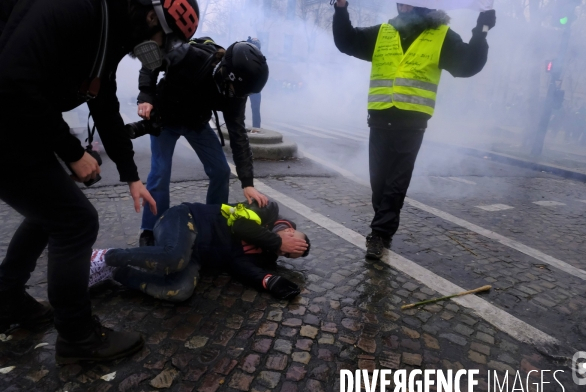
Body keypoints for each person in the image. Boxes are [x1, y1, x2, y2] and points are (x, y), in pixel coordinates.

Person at [0, 0, 200, 363]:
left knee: (51, 210)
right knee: (75, 221)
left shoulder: (112, 28)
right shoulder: (79, 9)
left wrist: (131, 175)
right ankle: (78, 338)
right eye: (164, 42)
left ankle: (6, 298)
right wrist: (73, 152)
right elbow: (13, 78)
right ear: (152, 16)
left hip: (16, 117)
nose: (158, 55)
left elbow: (102, 99)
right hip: (7, 112)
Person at [333, 1, 495, 259]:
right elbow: (346, 41)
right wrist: (340, 9)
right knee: (379, 181)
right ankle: (381, 229)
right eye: (400, 2)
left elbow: (469, 64)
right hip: (379, 118)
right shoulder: (384, 31)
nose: (403, 6)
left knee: (396, 182)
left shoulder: (441, 36)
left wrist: (482, 28)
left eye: (409, 3)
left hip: (411, 124)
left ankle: (379, 234)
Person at [136, 37, 270, 247]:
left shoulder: (238, 91)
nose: (235, 95)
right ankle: (151, 229)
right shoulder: (190, 55)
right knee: (160, 172)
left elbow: (238, 135)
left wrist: (248, 183)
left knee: (221, 170)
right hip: (166, 118)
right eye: (234, 89)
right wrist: (145, 94)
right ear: (226, 72)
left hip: (197, 122)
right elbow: (151, 58)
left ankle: (214, 224)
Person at [88, 200, 310, 302]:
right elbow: (241, 226)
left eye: (289, 256)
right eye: (292, 247)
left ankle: (115, 272)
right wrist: (276, 240)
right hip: (184, 218)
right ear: (289, 232)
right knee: (174, 257)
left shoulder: (262, 254)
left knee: (180, 290)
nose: (284, 253)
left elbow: (239, 266)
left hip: (193, 255)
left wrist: (270, 281)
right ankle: (106, 256)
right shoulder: (267, 211)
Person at [247, 37, 263, 130]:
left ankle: (256, 128)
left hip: (254, 87)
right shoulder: (259, 57)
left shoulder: (260, 58)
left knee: (255, 110)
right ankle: (256, 128)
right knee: (255, 110)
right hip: (252, 87)